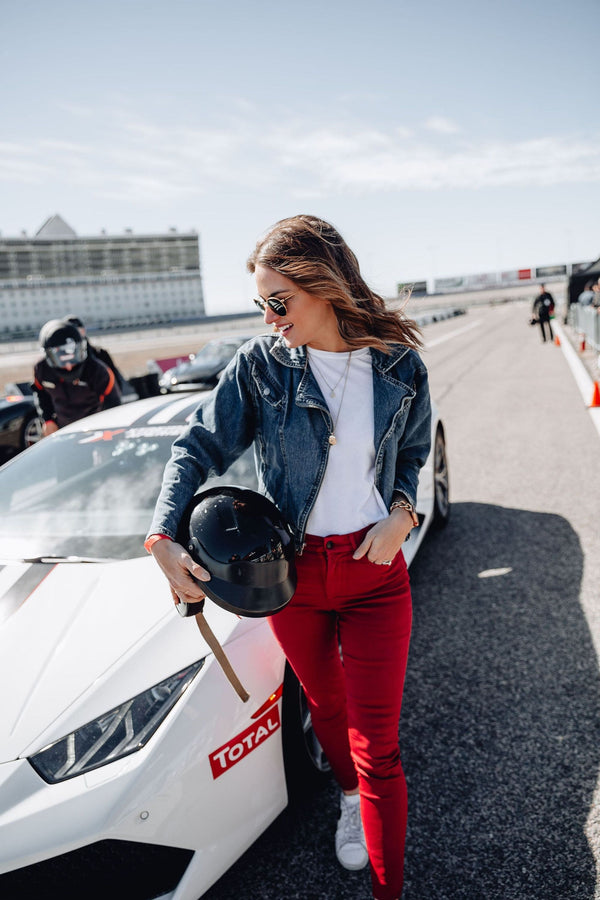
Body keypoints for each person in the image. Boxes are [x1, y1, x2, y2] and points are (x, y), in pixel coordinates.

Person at [145, 214, 431, 900]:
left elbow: (413, 454)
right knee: (324, 708)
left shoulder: (397, 363)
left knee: (379, 749)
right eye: (261, 304)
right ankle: (343, 798)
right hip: (292, 578)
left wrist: (402, 513)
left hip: (374, 576)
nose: (271, 318)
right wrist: (162, 535)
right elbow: (196, 448)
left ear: (324, 287)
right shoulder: (260, 366)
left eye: (280, 301)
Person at [33, 318, 122, 436]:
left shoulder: (97, 370)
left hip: (96, 427)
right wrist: (48, 419)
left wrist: (108, 429)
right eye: (62, 360)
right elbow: (40, 393)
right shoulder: (42, 370)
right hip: (63, 430)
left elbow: (113, 403)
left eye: (72, 359)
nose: (69, 366)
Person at [65, 313, 127, 390]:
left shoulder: (100, 353)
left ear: (83, 331)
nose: (75, 336)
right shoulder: (63, 360)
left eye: (77, 332)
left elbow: (115, 380)